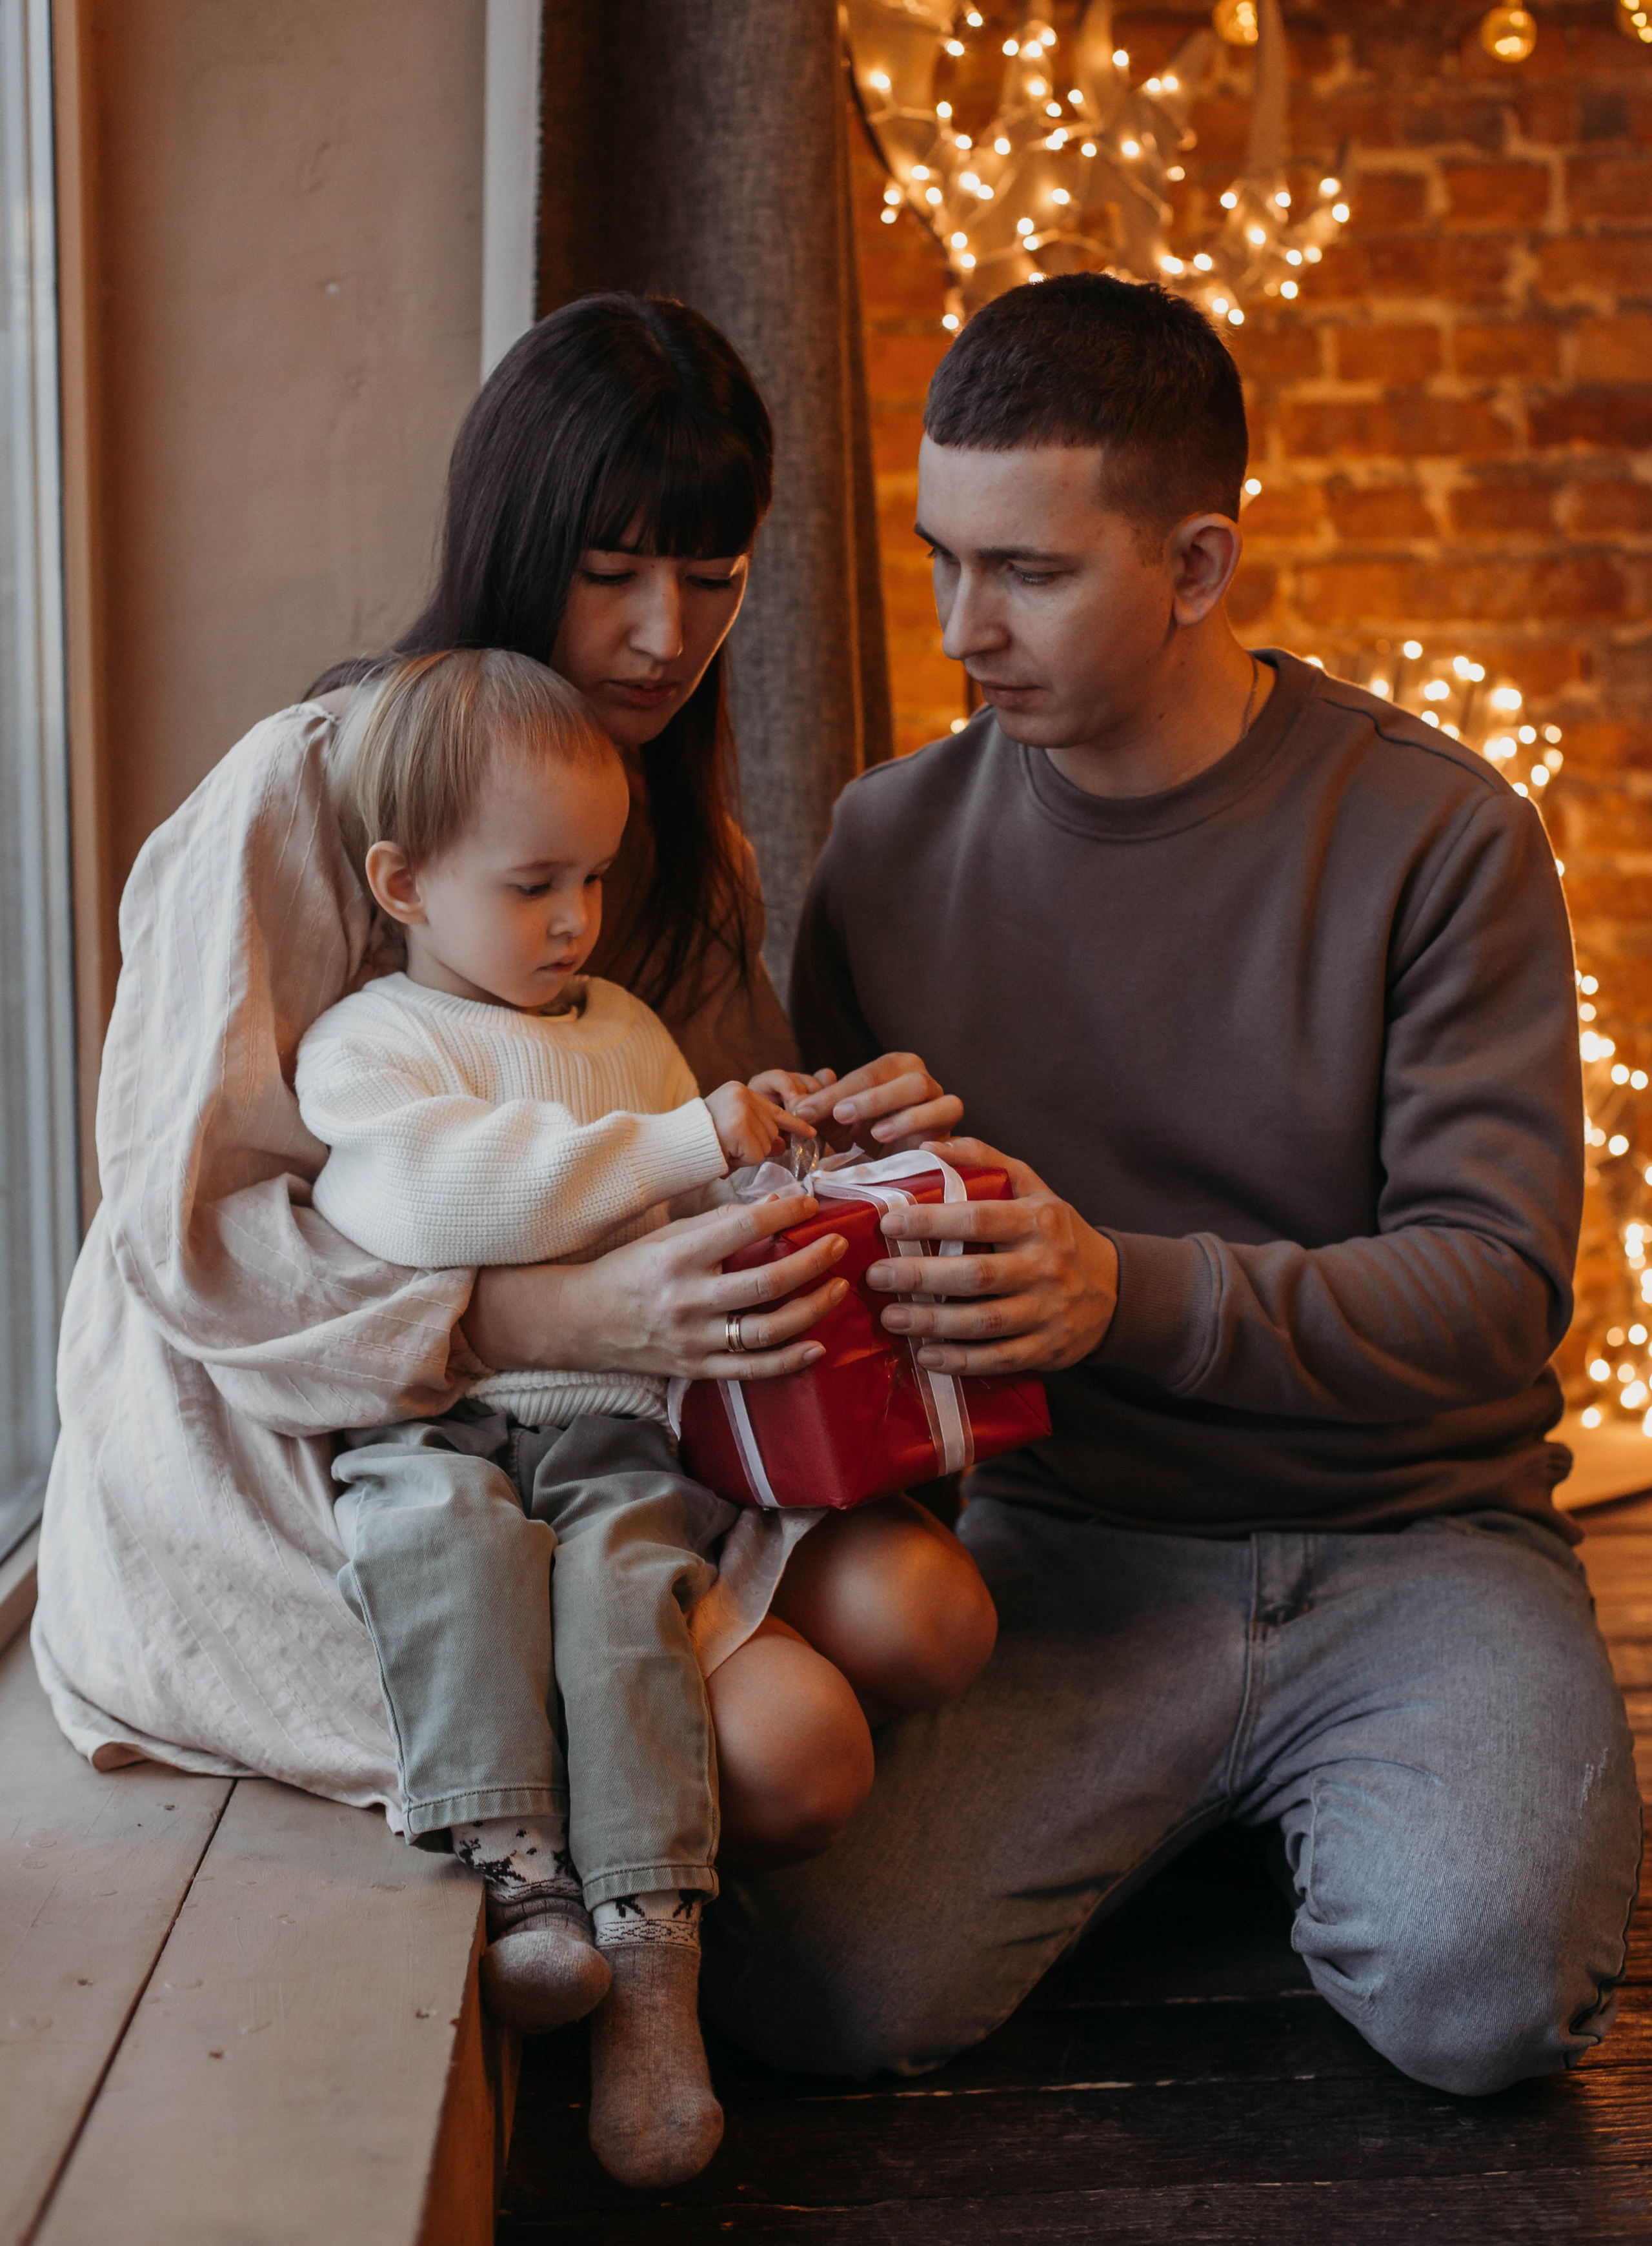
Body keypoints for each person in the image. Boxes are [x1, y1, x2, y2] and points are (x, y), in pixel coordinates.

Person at [703, 273, 1643, 2100]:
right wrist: (832, 1188)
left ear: (1198, 566)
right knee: (822, 1992)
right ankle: (1246, 1806)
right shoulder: (884, 848)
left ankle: (1320, 1799)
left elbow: (1495, 1286)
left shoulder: (1441, 836)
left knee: (1480, 1999)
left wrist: (1117, 1290)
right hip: (1064, 1553)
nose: (963, 628)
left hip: (1417, 1541)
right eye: (942, 558)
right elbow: (862, 1309)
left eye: (1029, 573)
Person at [33, 294, 969, 1924]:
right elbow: (193, 1244)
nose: (665, 634)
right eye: (610, 572)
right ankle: (616, 1883)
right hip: (322, 1431)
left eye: (712, 577)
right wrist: (528, 1311)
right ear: (512, 542)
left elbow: (688, 1175)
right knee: (796, 1756)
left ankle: (668, 1851)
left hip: (609, 1421)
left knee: (930, 1614)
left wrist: (831, 1141)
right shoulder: (301, 790)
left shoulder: (672, 838)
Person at [295, 646, 994, 2186]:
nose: (574, 921)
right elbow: (431, 1200)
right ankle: (521, 1883)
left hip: (613, 1426)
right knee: (445, 1550)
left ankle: (652, 1977)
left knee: (629, 1605)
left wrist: (781, 1166)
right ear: (403, 884)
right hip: (445, 1421)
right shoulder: (368, 1045)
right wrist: (683, 1138)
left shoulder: (620, 1030)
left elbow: (680, 1215)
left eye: (595, 881)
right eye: (532, 885)